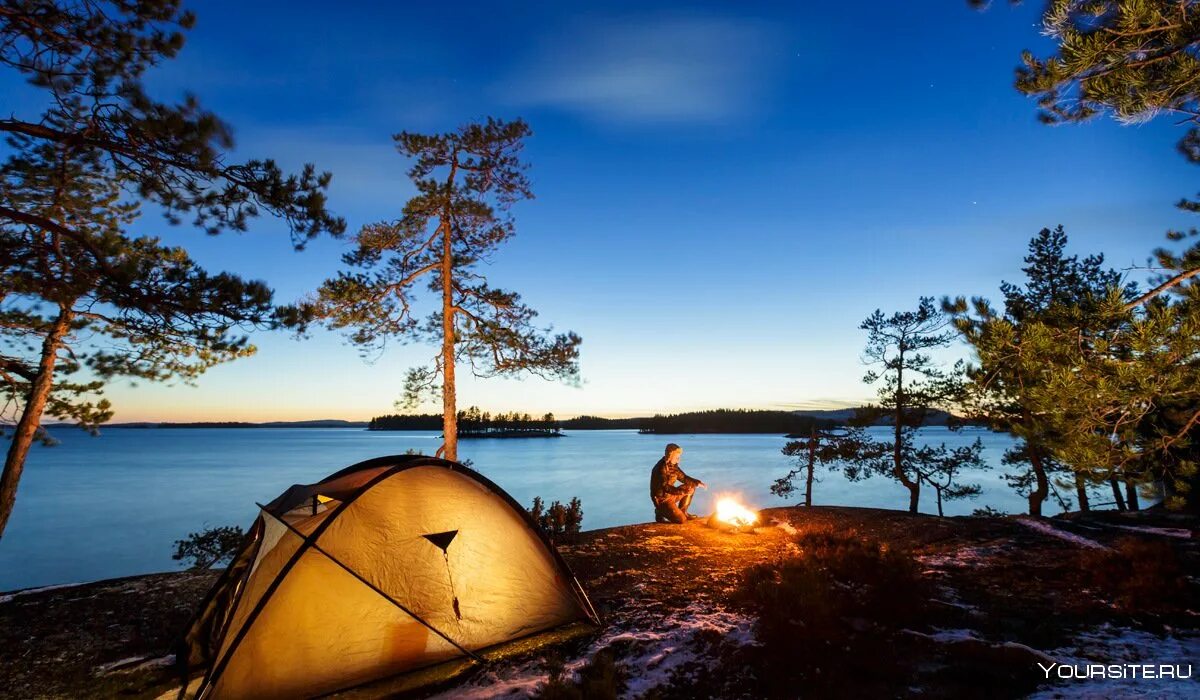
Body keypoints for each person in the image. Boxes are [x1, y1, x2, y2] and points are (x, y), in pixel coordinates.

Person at [650, 443, 707, 523]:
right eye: (677, 457)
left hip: (670, 495)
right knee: (681, 520)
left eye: (679, 457)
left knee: (690, 487)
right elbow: (665, 487)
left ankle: (683, 511)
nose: (679, 460)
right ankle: (659, 511)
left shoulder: (673, 466)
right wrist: (683, 491)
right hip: (661, 500)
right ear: (670, 456)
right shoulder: (660, 468)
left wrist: (697, 483)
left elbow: (683, 477)